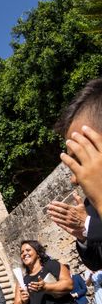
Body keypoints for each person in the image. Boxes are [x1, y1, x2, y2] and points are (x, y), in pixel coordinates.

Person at [52, 78, 102, 269]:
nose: (74, 179)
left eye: (80, 158)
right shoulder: (91, 204)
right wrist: (83, 232)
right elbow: (96, 262)